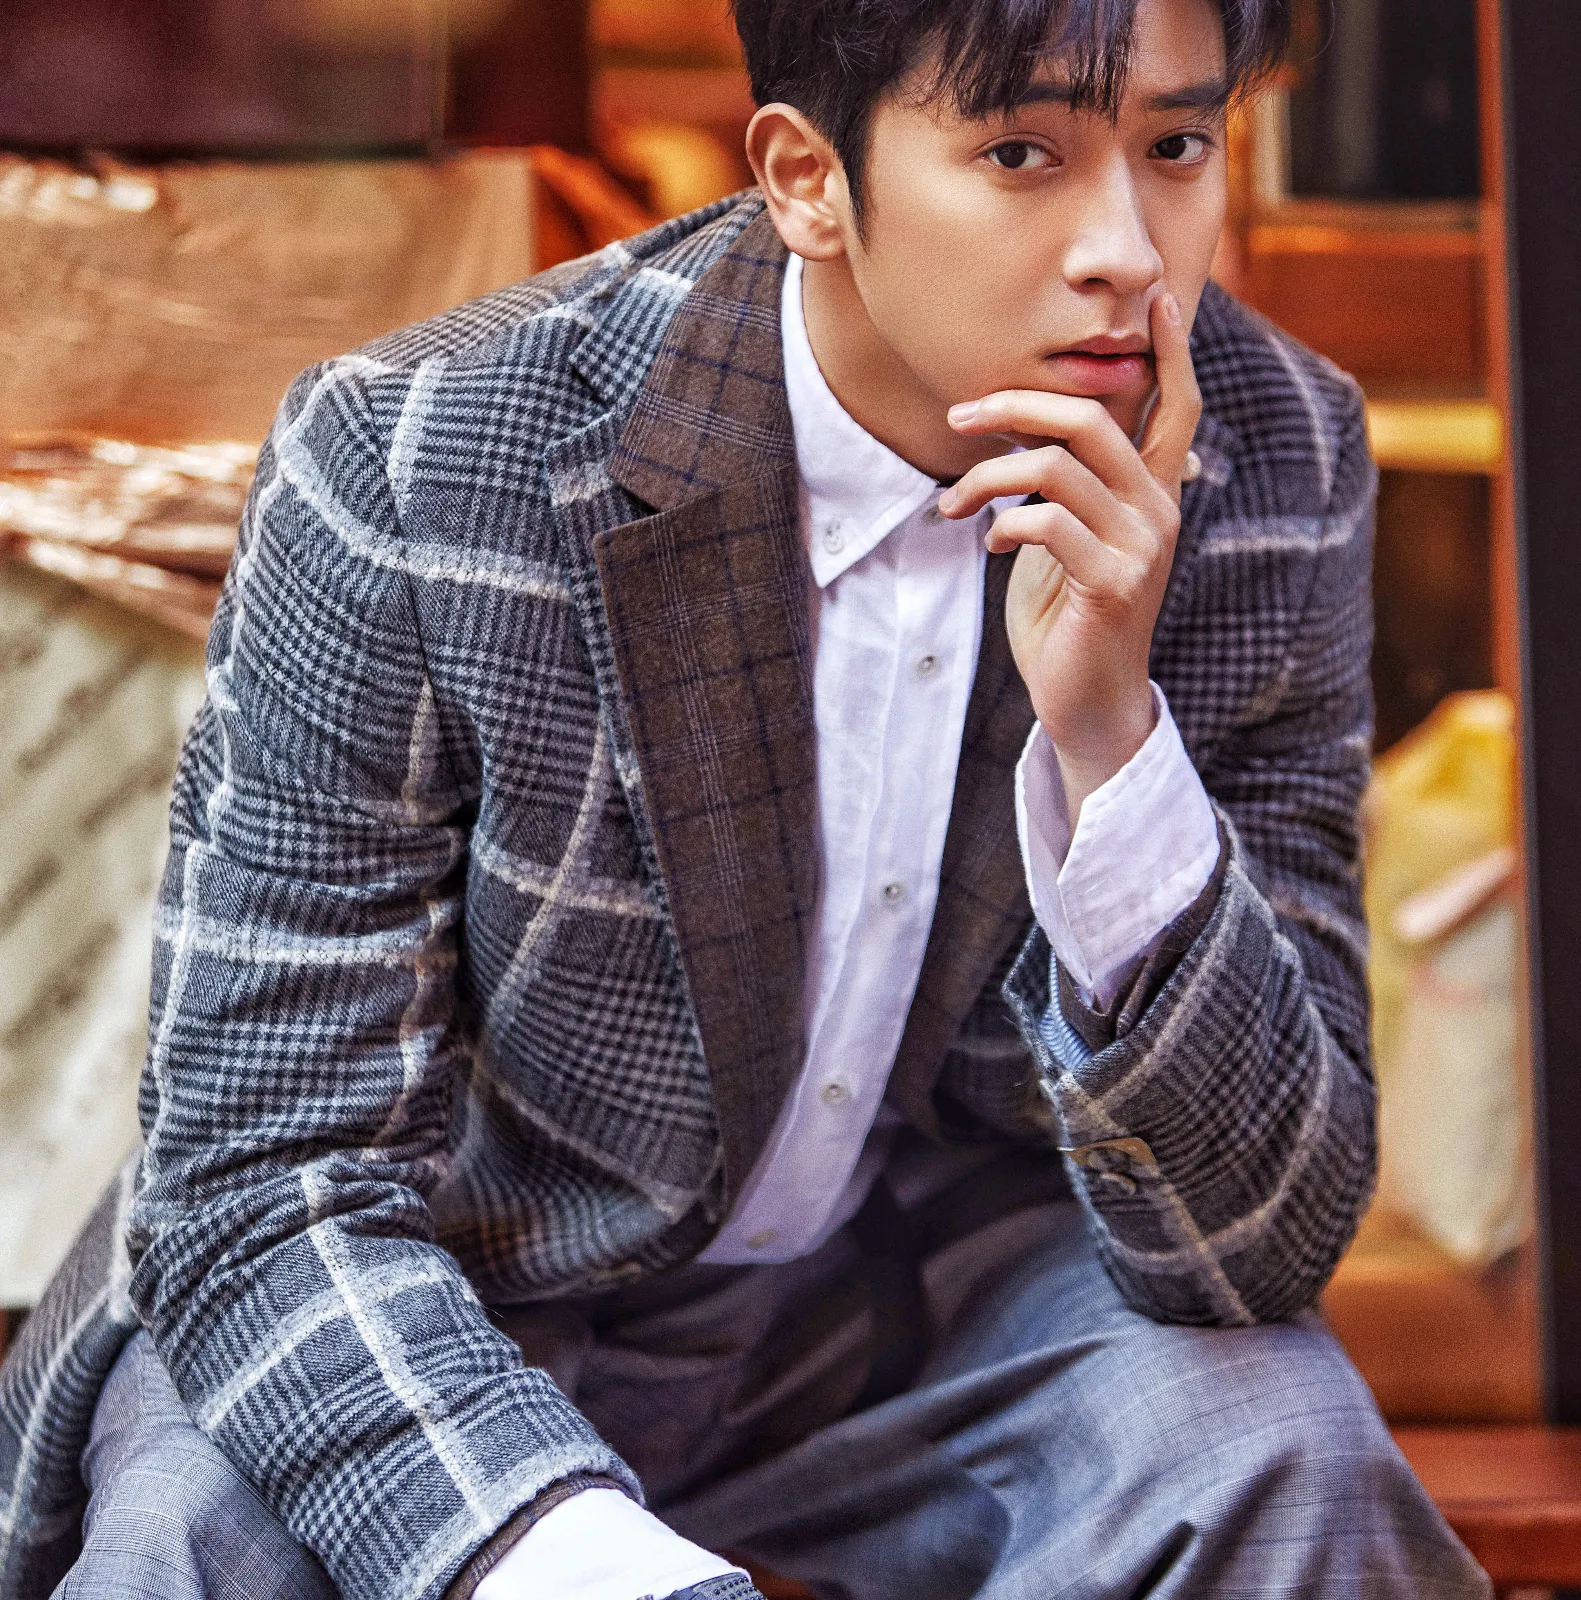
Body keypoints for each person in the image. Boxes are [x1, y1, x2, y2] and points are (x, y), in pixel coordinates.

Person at [0, 0, 1492, 1596]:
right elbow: (259, 1184)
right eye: (1020, 153)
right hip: (462, 1268)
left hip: (917, 1309)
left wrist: (1110, 740)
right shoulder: (422, 459)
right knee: (201, 1527)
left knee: (1281, 1458)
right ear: (805, 180)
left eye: (1177, 145)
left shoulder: (1270, 455)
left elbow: (1259, 1242)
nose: (1126, 251)